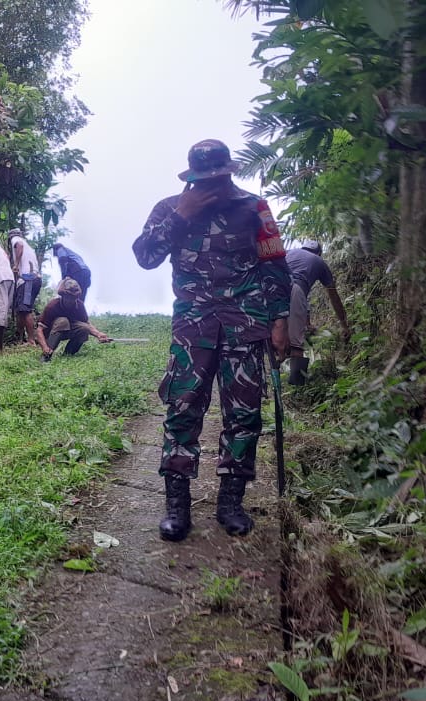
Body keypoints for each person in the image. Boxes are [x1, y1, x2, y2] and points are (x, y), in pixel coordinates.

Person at [132, 138, 291, 541]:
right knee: (182, 410)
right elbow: (146, 256)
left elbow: (274, 265)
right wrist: (181, 216)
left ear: (229, 173)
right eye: (204, 180)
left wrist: (280, 320)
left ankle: (231, 503)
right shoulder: (170, 208)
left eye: (218, 178)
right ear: (191, 178)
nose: (212, 186)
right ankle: (177, 505)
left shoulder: (254, 208)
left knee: (244, 415)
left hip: (245, 325)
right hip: (193, 328)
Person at [285, 240, 350, 385]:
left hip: (271, 288)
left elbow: (302, 299)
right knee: (296, 344)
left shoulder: (289, 253)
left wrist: (307, 323)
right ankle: (298, 387)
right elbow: (333, 296)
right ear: (319, 253)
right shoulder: (319, 262)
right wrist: (344, 324)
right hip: (295, 290)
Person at [35, 278, 111, 361]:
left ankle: (68, 355)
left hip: (68, 330)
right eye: (68, 297)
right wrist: (44, 347)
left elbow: (87, 324)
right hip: (50, 334)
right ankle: (46, 356)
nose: (71, 300)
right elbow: (40, 330)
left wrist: (99, 334)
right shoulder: (52, 306)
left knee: (85, 328)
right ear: (63, 295)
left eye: (73, 297)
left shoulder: (79, 305)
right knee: (63, 321)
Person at [9, 229, 42, 344]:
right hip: (33, 279)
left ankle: (31, 340)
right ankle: (20, 338)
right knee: (21, 310)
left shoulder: (16, 240)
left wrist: (16, 265)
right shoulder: (29, 248)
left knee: (25, 310)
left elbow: (19, 245)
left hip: (28, 279)